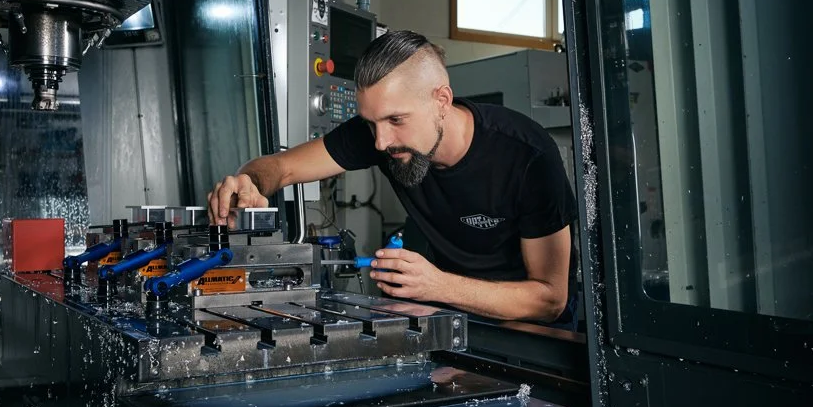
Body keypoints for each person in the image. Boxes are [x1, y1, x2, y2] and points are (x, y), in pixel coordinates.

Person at [207, 30, 578, 326]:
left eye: (396, 121)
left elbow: (549, 299)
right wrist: (247, 183)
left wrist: (436, 285)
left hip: (528, 321)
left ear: (442, 101)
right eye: (371, 123)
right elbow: (282, 167)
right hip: (451, 309)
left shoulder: (526, 155)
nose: (382, 142)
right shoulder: (382, 134)